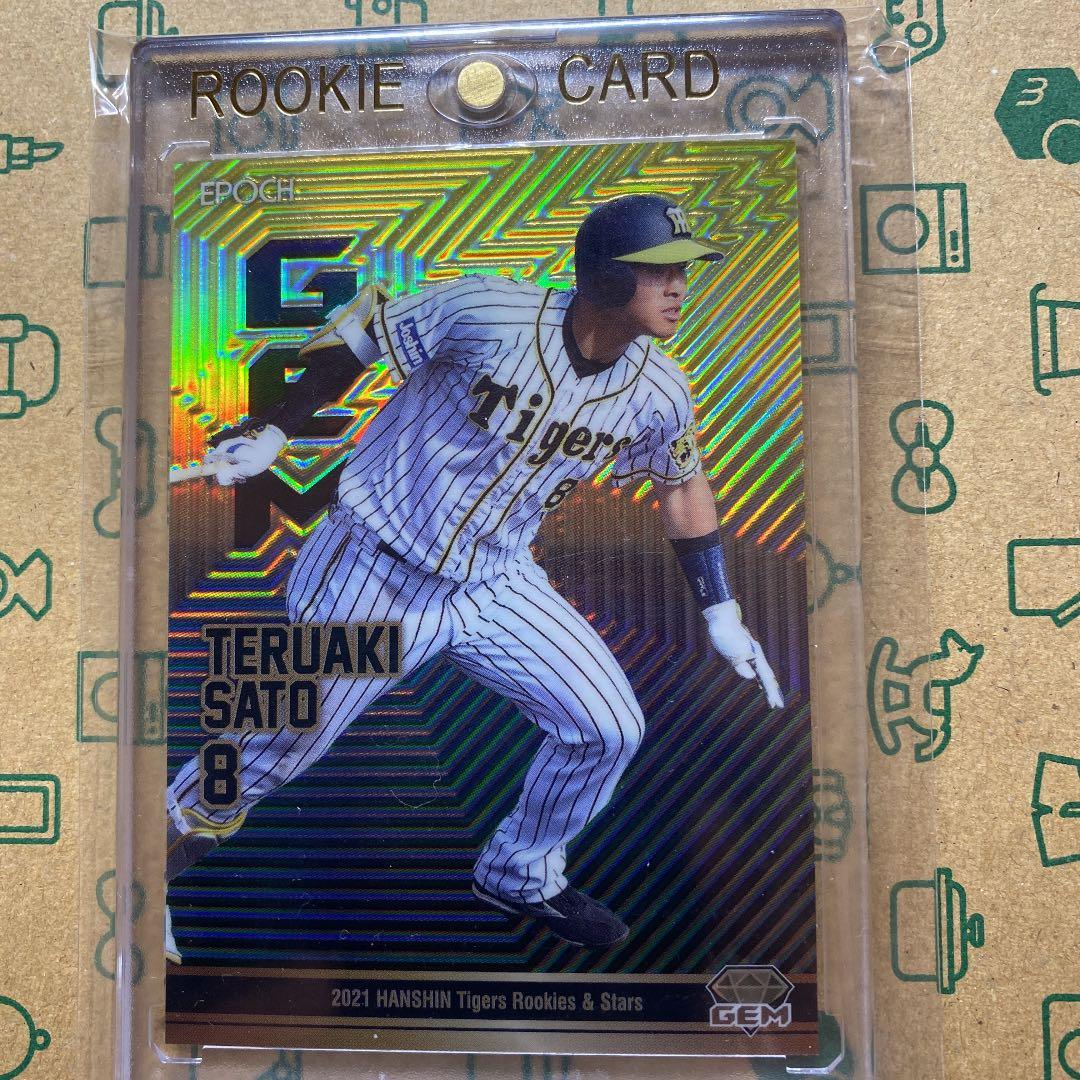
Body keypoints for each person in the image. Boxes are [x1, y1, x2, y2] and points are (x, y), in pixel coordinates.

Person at [165, 193, 783, 959]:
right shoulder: (488, 310)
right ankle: (142, 873)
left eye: (681, 271)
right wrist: (275, 429)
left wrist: (720, 611)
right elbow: (366, 328)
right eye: (658, 270)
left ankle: (519, 873)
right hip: (375, 570)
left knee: (606, 727)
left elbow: (682, 485)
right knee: (266, 754)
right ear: (603, 275)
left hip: (496, 582)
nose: (678, 286)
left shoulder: (658, 391)